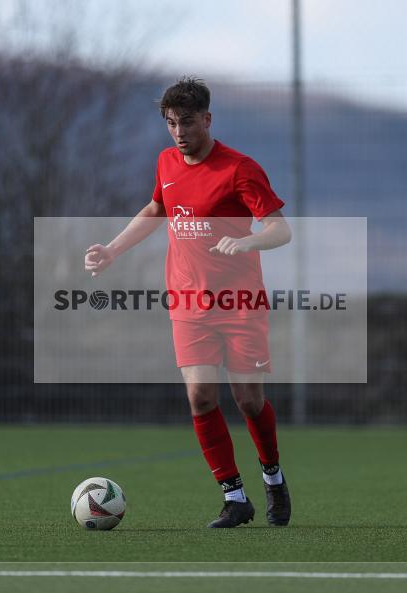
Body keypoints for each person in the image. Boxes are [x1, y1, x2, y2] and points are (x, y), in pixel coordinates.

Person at [84, 76, 292, 528]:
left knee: (249, 400)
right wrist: (113, 249)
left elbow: (281, 229)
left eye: (188, 122)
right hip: (189, 304)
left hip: (239, 303)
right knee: (200, 397)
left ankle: (273, 477)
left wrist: (249, 243)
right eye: (171, 123)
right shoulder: (166, 163)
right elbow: (156, 209)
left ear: (208, 119)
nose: (179, 132)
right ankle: (235, 497)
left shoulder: (240, 169)